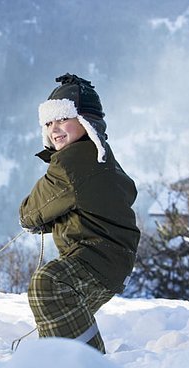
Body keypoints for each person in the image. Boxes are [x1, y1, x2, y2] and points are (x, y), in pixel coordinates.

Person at [18, 73, 141, 353]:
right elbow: (104, 199)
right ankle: (59, 364)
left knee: (49, 284)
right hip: (115, 260)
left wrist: (40, 220)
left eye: (63, 119)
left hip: (95, 258)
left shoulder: (71, 163)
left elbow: (30, 212)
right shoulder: (99, 154)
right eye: (48, 123)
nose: (54, 129)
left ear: (85, 120)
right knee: (61, 310)